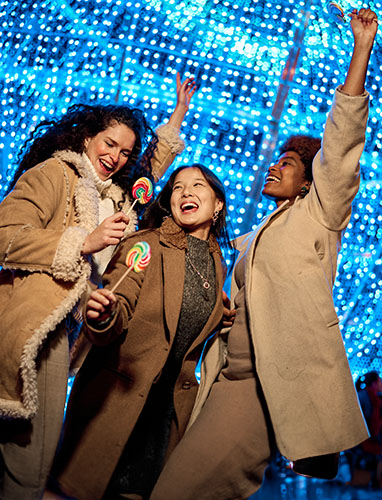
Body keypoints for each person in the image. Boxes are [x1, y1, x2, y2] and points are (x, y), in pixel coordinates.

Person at [148, 8, 378, 500]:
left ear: (312, 179)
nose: (275, 168)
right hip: (224, 376)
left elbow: (341, 144)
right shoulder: (256, 238)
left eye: (289, 163)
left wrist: (360, 51)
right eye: (277, 160)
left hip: (264, 387)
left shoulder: (321, 212)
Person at [0, 73, 196, 500]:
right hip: (37, 324)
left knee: (31, 449)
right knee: (32, 458)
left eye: (126, 151)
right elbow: (5, 235)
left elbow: (153, 165)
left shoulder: (119, 197)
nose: (116, 157)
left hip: (70, 330)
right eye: (109, 144)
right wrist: (82, 242)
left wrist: (178, 113)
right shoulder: (56, 174)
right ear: (87, 136)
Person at [51, 164, 234, 500]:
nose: (186, 193)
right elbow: (119, 305)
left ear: (218, 203)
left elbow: (190, 321)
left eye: (197, 185)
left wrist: (219, 318)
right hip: (118, 402)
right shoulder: (145, 247)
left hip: (166, 414)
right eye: (178, 188)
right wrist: (104, 314)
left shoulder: (218, 263)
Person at [347, 371, 382, 488]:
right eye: (379, 382)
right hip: (362, 441)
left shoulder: (375, 398)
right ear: (374, 383)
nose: (381, 384)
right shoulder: (363, 397)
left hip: (370, 439)